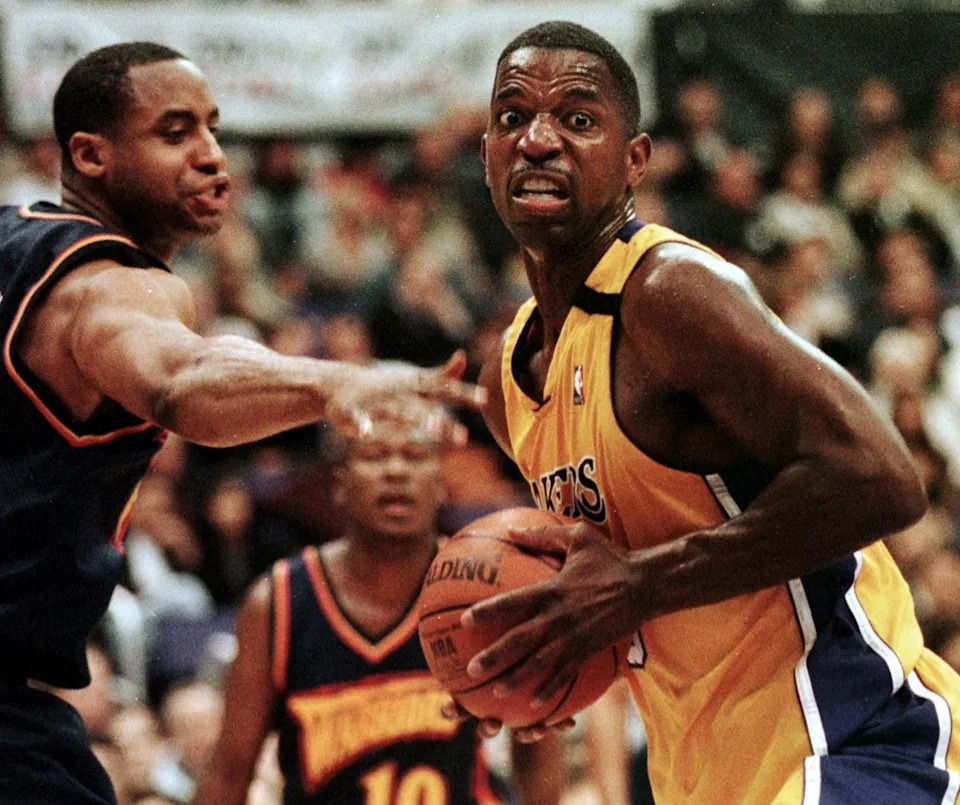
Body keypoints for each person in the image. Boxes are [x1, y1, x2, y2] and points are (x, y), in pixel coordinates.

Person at [458, 20, 960, 804]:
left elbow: (885, 479)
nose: (538, 139)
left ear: (636, 161)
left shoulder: (668, 295)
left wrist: (636, 588)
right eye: (513, 115)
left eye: (578, 118)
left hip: (851, 743)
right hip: (704, 776)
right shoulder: (508, 381)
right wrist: (530, 660)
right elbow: (610, 582)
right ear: (487, 150)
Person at [0, 42, 482, 805]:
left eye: (215, 130)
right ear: (90, 156)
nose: (213, 156)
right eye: (175, 132)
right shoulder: (105, 279)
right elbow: (181, 378)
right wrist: (339, 380)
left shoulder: (14, 238)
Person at [192, 399, 562, 805]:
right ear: (339, 484)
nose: (395, 471)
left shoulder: (482, 589)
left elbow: (536, 742)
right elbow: (229, 772)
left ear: (441, 483)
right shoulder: (278, 602)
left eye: (415, 455)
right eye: (374, 455)